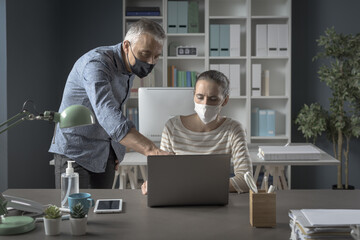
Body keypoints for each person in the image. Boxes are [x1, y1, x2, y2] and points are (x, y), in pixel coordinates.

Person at [49, 19, 171, 189]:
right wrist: (152, 150)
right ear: (127, 46)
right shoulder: (96, 65)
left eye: (156, 56)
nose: (150, 62)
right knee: (75, 213)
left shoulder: (130, 65)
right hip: (75, 153)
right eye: (145, 54)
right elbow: (107, 112)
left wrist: (114, 149)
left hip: (105, 152)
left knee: (101, 212)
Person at [142, 70, 253, 194]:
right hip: (180, 198)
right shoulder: (172, 127)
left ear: (225, 100)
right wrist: (154, 183)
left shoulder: (234, 128)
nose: (205, 104)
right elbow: (164, 174)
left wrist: (192, 186)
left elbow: (246, 180)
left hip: (215, 202)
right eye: (200, 97)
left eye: (213, 99)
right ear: (194, 95)